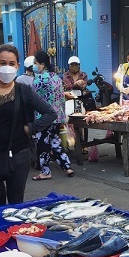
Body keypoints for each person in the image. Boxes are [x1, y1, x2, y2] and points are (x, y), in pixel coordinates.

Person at [0, 44, 57, 209]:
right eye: (2, 63)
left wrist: (31, 128)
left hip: (18, 156)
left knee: (16, 206)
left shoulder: (24, 91)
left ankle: (13, 235)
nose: (7, 67)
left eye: (11, 63)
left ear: (18, 66)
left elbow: (50, 113)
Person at [31, 50, 74, 181]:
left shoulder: (39, 79)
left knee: (43, 144)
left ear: (42, 65)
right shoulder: (56, 77)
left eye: (35, 63)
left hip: (43, 117)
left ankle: (45, 171)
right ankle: (67, 167)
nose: (34, 66)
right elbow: (61, 98)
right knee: (55, 142)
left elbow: (33, 99)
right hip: (56, 116)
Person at [62, 56, 91, 153]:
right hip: (70, 100)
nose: (74, 66)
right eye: (72, 65)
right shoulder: (66, 75)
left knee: (82, 123)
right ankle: (72, 141)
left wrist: (80, 84)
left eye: (76, 64)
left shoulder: (83, 74)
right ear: (69, 66)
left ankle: (83, 144)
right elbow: (67, 85)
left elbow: (84, 84)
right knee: (70, 121)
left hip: (81, 100)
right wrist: (76, 84)